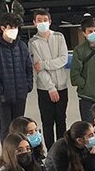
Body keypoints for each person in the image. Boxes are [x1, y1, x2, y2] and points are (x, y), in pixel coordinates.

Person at [0, 12, 33, 142]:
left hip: (20, 95)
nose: (14, 30)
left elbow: (28, 67)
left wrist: (28, 85)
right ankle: (6, 153)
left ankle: (20, 151)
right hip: (3, 97)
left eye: (16, 27)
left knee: (19, 127)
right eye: (11, 27)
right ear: (3, 28)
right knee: (6, 129)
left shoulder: (22, 46)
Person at [29, 8, 69, 151]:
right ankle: (51, 152)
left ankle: (62, 150)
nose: (43, 23)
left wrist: (45, 64)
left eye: (45, 20)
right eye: (39, 20)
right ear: (34, 23)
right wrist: (51, 88)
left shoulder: (59, 36)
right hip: (45, 89)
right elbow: (37, 68)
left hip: (62, 86)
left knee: (61, 120)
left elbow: (63, 59)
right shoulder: (33, 42)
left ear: (50, 21)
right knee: (47, 122)